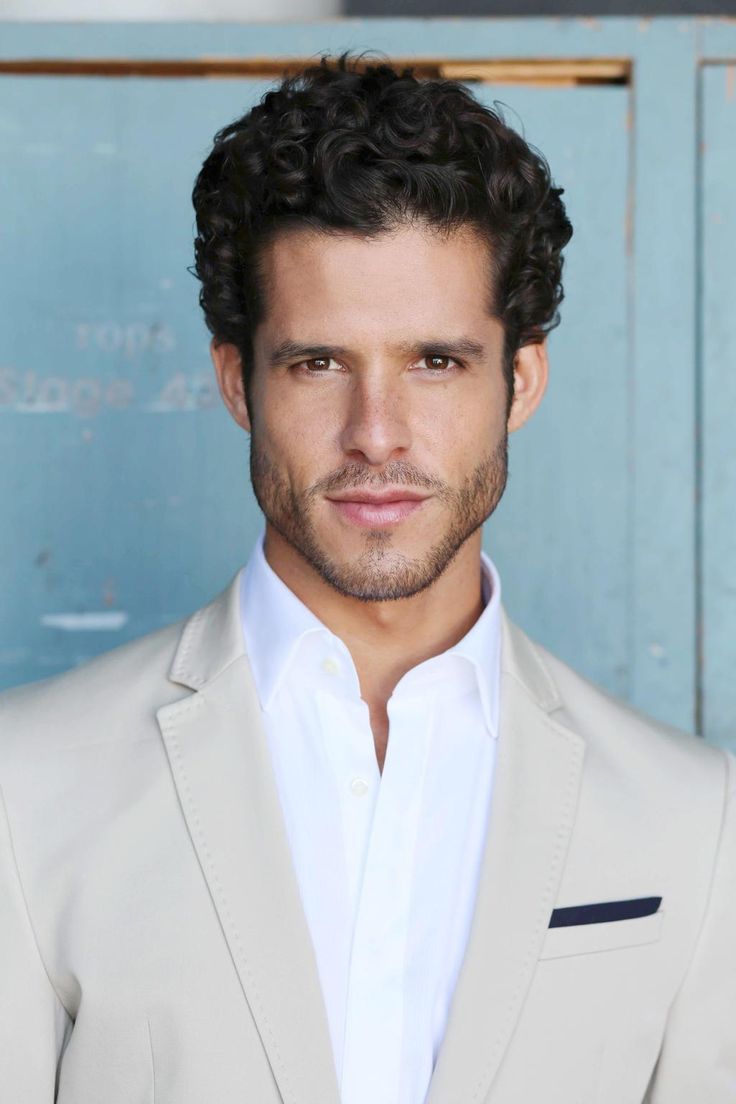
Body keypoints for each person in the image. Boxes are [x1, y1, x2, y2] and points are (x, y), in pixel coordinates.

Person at [0, 52, 733, 1104]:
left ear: (519, 380)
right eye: (318, 363)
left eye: (435, 362)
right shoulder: (23, 788)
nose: (375, 434)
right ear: (237, 383)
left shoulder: (695, 820)